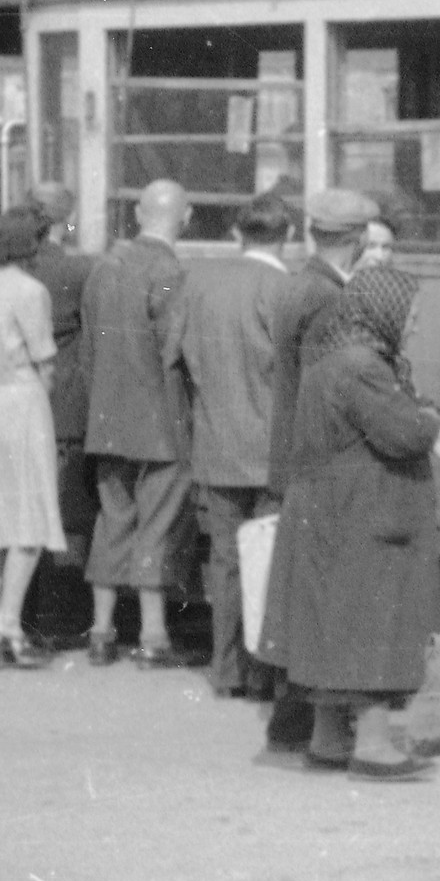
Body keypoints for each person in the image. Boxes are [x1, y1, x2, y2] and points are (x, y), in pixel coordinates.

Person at [256, 263, 440, 779]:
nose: (415, 324)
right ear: (386, 313)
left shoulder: (335, 357)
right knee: (375, 619)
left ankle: (329, 740)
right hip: (362, 512)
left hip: (330, 507)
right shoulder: (362, 366)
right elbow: (404, 433)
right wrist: (431, 421)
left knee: (334, 620)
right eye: (411, 313)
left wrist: (420, 426)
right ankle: (374, 745)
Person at [255, 186, 375, 753]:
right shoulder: (332, 298)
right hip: (320, 457)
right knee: (322, 590)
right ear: (357, 239)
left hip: (290, 449)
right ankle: (304, 721)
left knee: (302, 587)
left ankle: (291, 716)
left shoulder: (296, 283)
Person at [163, 193, 294, 700]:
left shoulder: (199, 283)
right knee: (272, 562)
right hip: (273, 453)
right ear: (287, 236)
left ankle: (226, 667)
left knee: (226, 561)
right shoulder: (285, 288)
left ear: (238, 234)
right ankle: (265, 670)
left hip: (215, 446)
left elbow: (171, 359)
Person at [80, 179, 196, 667]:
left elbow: (89, 349)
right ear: (185, 217)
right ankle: (153, 636)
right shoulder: (169, 271)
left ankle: (102, 630)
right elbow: (176, 351)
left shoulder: (103, 269)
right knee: (157, 526)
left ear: (138, 214)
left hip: (106, 421)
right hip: (161, 424)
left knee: (113, 520)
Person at [0, 207, 69, 667]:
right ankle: (9, 624)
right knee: (29, 511)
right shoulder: (31, 291)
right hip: (22, 399)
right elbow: (45, 357)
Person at [19, 180, 94, 644]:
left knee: (23, 511)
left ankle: (22, 614)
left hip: (9, 405)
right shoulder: (78, 272)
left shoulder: (4, 274)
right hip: (64, 404)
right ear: (68, 220)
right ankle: (66, 617)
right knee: (68, 512)